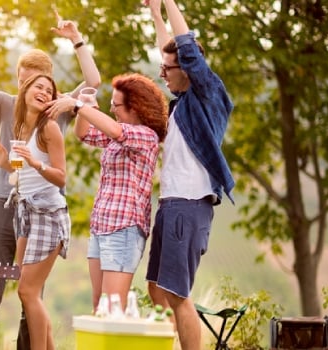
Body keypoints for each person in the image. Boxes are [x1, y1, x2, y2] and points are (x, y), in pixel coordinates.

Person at [0, 9, 101, 350]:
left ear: (47, 85)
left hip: (38, 213)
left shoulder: (56, 109)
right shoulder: (5, 105)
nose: (27, 88)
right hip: (4, 208)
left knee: (31, 294)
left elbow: (93, 81)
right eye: (22, 80)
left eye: (35, 82)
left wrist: (76, 39)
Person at [144, 1, 235, 349]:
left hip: (189, 206)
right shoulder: (180, 103)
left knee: (178, 295)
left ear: (189, 69)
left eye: (168, 69)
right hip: (170, 206)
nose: (162, 74)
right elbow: (170, 51)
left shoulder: (208, 96)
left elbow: (184, 48)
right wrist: (155, 15)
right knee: (156, 290)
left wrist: (168, 2)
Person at [74, 73, 168, 313]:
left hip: (124, 229)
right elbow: (84, 134)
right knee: (99, 305)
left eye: (116, 105)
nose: (112, 109)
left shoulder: (147, 136)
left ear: (134, 108)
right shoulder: (117, 135)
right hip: (101, 225)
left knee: (112, 307)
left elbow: (117, 132)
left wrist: (76, 105)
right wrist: (83, 107)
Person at [0, 74, 70, 350]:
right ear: (24, 90)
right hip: (26, 212)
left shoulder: (50, 128)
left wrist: (35, 163)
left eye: (50, 90)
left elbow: (61, 178)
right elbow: (23, 174)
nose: (44, 92)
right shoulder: (22, 127)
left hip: (48, 214)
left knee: (28, 291)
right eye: (39, 87)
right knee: (27, 292)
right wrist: (6, 163)